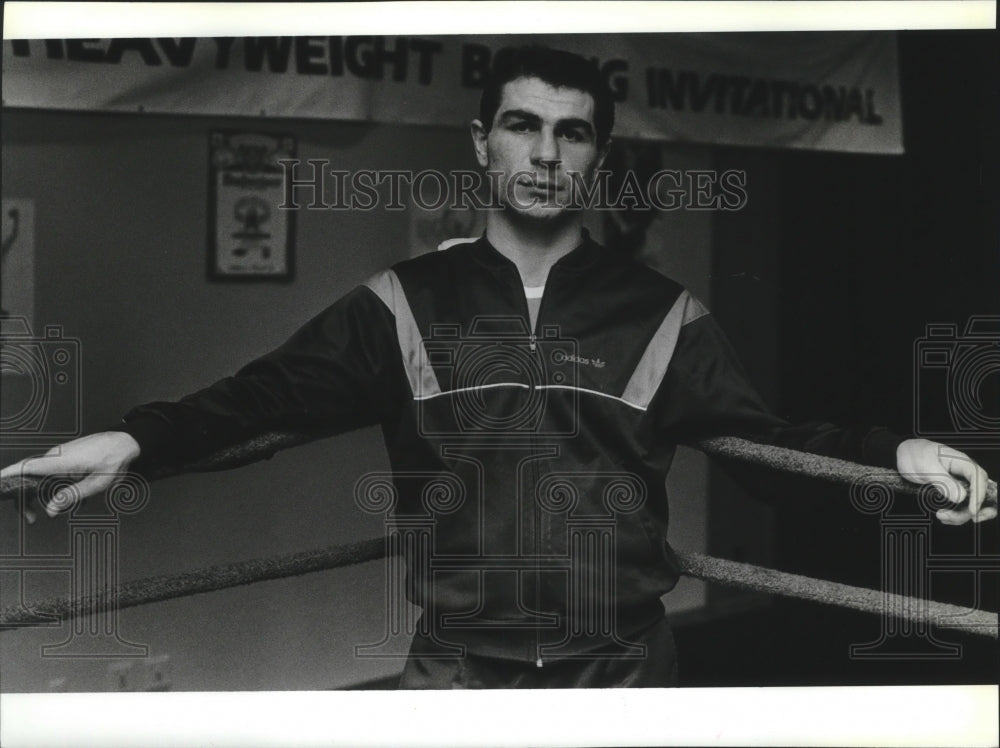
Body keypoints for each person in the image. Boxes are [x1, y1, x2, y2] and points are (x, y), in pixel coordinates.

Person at [1, 45, 994, 689]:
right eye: (522, 124)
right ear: (482, 142)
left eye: (571, 133)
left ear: (595, 157)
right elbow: (263, 396)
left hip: (623, 673)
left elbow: (766, 445)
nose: (545, 152)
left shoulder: (661, 314)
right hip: (456, 673)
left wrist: (890, 453)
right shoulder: (401, 304)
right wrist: (134, 438)